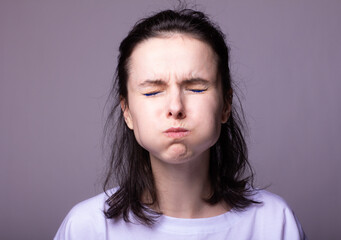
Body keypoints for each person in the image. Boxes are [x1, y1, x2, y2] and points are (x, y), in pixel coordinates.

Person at [54, 8, 306, 240]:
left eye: (196, 88)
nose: (175, 107)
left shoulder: (274, 223)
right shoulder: (87, 227)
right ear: (127, 111)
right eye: (153, 91)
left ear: (225, 105)